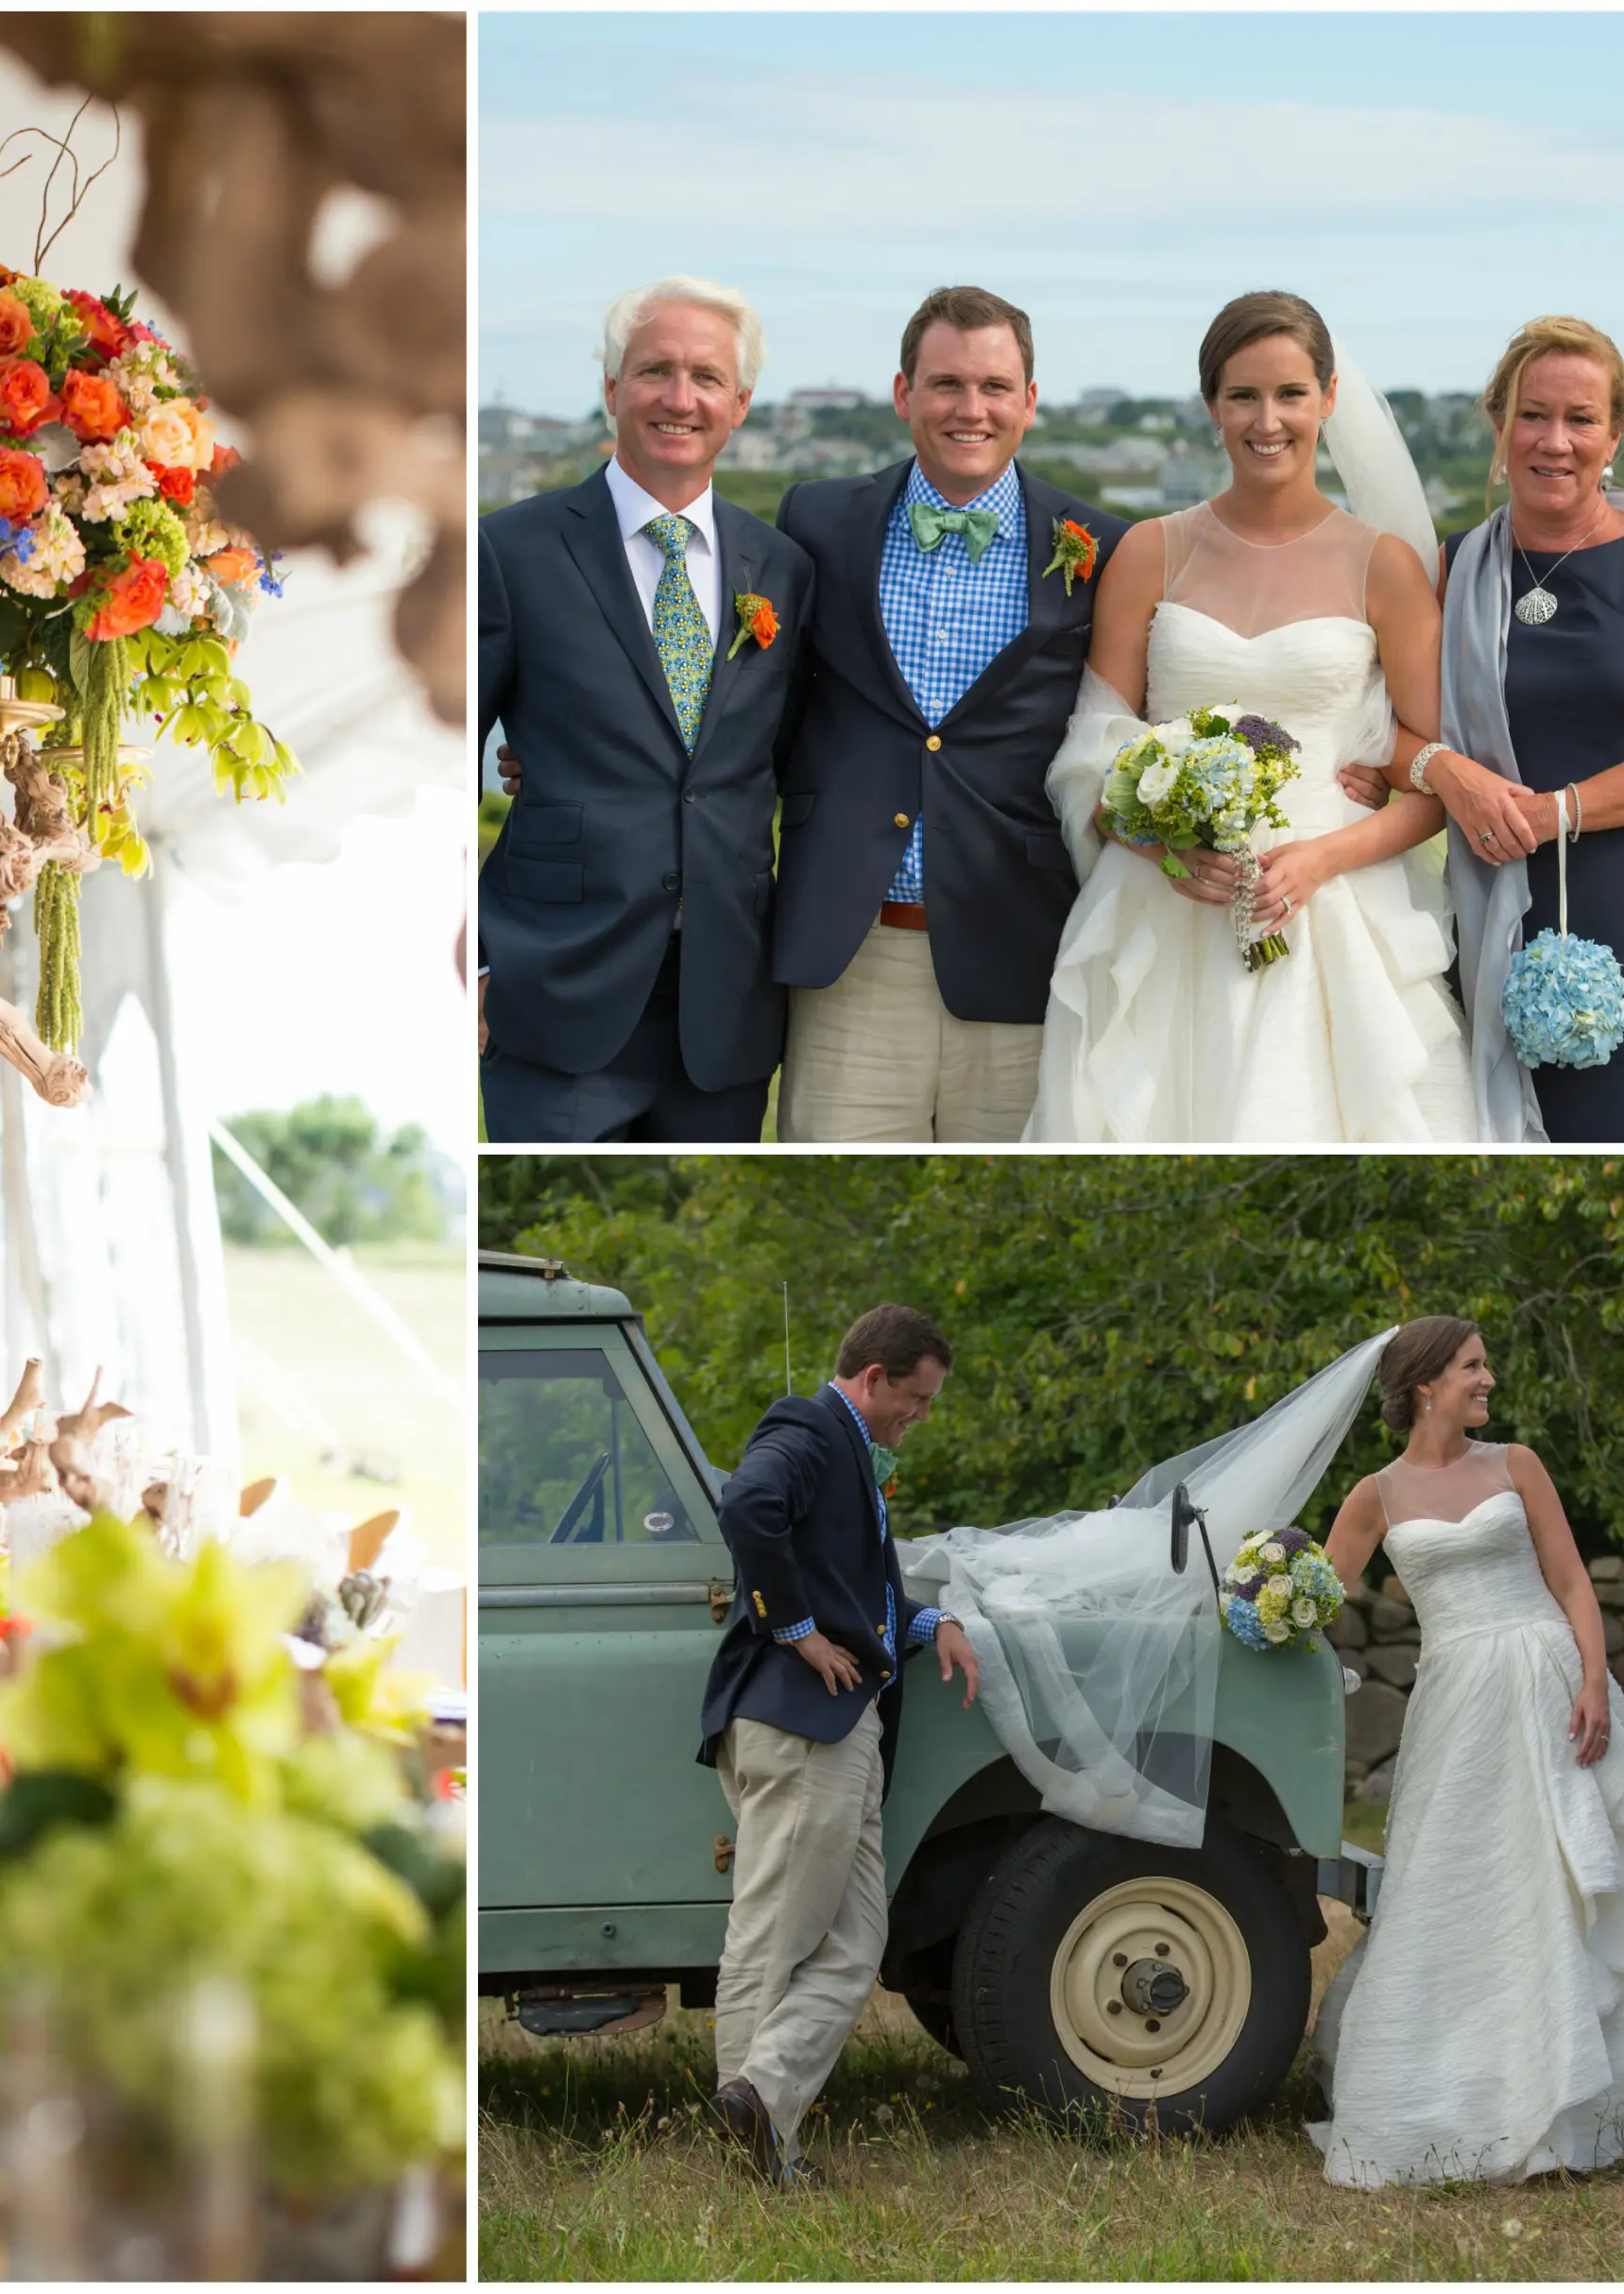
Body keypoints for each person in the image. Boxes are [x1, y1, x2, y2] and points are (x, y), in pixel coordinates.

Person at [1305, 1317, 1624, 2185]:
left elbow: (1570, 1582)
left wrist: (1595, 1682)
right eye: (1471, 1367)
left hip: (1551, 1680)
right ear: (1424, 1386)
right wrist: (1267, 1597)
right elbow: (1321, 1596)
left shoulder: (1514, 1464)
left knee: (1587, 1868)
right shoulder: (1375, 1493)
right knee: (1465, 1879)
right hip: (1458, 1701)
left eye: (1484, 1366)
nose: (1487, 1380)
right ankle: (1477, 2080)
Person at [1025, 292, 1478, 1141]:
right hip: (1162, 906)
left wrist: (1321, 860)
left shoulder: (1384, 568)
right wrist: (1155, 839)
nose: (1267, 421)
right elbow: (1095, 748)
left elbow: (1430, 782)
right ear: (1212, 408)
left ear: (1329, 400)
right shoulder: (1149, 552)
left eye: (1290, 395)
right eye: (1243, 397)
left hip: (1332, 905)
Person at [1342, 317, 1624, 1140]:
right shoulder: (1447, 570)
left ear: (1613, 435)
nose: (1555, 441)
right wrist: (1449, 772)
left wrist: (1558, 813)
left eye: (1581, 419)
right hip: (1499, 899)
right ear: (1498, 424)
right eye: (1533, 415)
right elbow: (1379, 730)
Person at [765, 287, 1133, 1141]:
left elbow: (1132, 725)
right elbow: (754, 692)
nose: (972, 409)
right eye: (946, 385)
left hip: (1025, 953)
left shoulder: (1103, 546)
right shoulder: (816, 520)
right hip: (849, 957)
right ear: (904, 395)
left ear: (1030, 403)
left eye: (996, 387)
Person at [473, 277, 812, 1141]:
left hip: (726, 1007)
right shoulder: (511, 549)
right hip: (555, 991)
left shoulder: (782, 570)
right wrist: (457, 962)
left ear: (739, 405)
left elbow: (794, 763)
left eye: (706, 378)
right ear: (611, 389)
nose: (679, 397)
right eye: (655, 370)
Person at [693, 1303, 983, 2185]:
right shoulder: (810, 1425)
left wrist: (930, 1621)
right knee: (775, 1937)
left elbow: (863, 1590)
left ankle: (758, 2103)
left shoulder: (850, 1450)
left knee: (856, 1942)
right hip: (803, 1725)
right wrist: (797, 1631)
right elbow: (747, 1505)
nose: (920, 1417)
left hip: (843, 1728)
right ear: (873, 1379)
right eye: (918, 1399)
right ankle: (758, 2151)